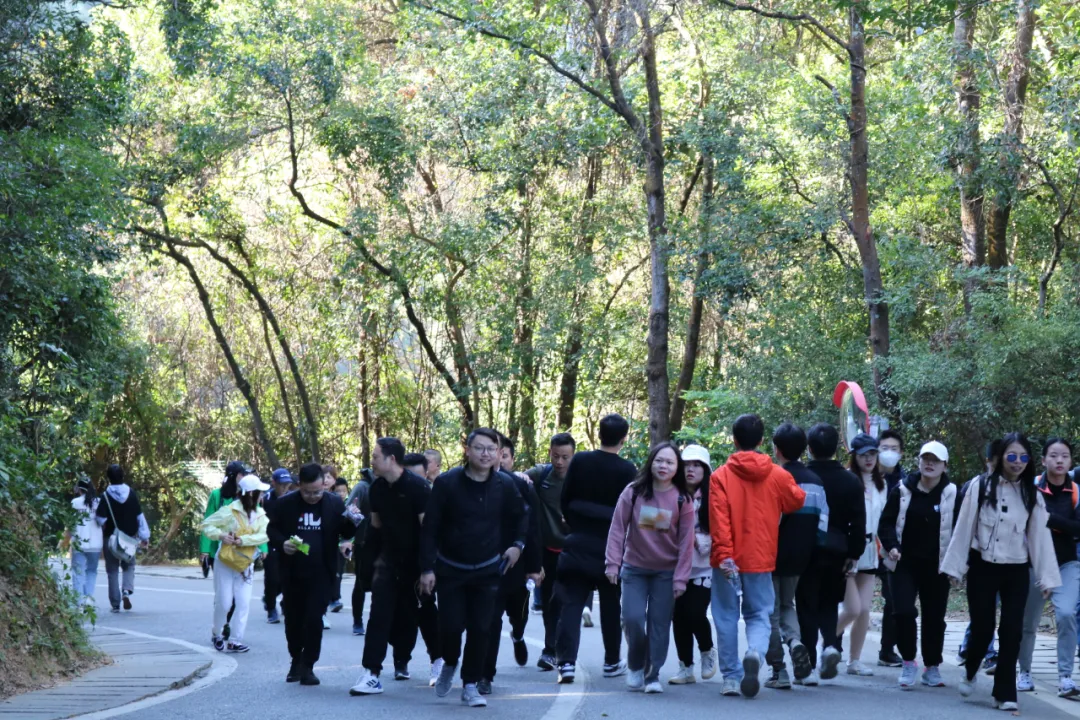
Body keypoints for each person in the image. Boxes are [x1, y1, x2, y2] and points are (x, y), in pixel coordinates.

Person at [944, 433, 1061, 712]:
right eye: (1012, 456)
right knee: (982, 629)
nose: (1018, 462)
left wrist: (1046, 578)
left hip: (1017, 570)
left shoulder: (1032, 494)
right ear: (1000, 457)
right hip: (984, 567)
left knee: (1012, 631)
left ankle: (1005, 691)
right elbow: (964, 527)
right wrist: (955, 567)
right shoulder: (981, 486)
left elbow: (1039, 539)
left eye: (1023, 457)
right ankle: (971, 669)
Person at [419, 428, 528, 708]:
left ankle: (470, 684)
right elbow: (430, 528)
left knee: (482, 628)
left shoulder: (505, 484)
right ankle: (450, 662)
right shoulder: (446, 483)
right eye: (479, 448)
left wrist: (517, 545)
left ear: (499, 453)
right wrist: (427, 568)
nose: (485, 454)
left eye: (491, 449)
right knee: (451, 626)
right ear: (467, 450)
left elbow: (522, 516)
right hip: (451, 569)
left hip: (488, 570)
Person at [710, 414, 807, 698]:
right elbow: (797, 499)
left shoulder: (720, 476)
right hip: (761, 556)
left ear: (734, 440)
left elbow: (719, 520)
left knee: (726, 616)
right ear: (762, 441)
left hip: (726, 560)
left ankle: (730, 677)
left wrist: (725, 556)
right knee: (759, 615)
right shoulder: (776, 474)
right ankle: (754, 652)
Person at [604, 442, 694, 694]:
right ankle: (635, 665)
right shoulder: (633, 492)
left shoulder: (681, 499)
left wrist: (680, 579)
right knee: (632, 619)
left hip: (666, 573)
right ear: (651, 463)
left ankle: (652, 674)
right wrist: (613, 562)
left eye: (669, 462)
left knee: (659, 624)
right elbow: (617, 528)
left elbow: (687, 542)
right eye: (659, 461)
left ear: (677, 467)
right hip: (634, 569)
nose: (663, 466)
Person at [554, 414, 636, 681]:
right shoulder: (627, 470)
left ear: (598, 433)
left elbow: (565, 499)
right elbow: (628, 512)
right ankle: (612, 661)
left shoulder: (580, 460)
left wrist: (574, 523)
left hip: (577, 541)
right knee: (611, 605)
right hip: (610, 548)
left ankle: (566, 663)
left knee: (571, 604)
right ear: (624, 438)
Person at [350, 438, 433, 695]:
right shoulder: (376, 489)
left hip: (416, 564)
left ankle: (440, 662)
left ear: (391, 459)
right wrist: (367, 563)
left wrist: (428, 569)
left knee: (425, 614)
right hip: (387, 563)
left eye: (375, 456)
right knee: (378, 617)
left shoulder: (418, 488)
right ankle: (371, 673)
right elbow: (375, 527)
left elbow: (428, 531)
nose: (371, 461)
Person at [877, 441, 957, 690]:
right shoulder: (902, 490)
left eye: (935, 460)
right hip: (903, 563)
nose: (929, 464)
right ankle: (909, 660)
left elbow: (962, 527)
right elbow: (886, 523)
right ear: (919, 461)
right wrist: (891, 546)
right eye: (926, 459)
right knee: (902, 611)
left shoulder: (953, 493)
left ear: (944, 465)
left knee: (935, 618)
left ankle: (932, 666)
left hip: (937, 566)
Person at [267, 462, 355, 686]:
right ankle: (296, 659)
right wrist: (282, 543)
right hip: (292, 572)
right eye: (308, 491)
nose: (313, 496)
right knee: (294, 621)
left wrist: (354, 520)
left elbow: (346, 531)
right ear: (299, 486)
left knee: (314, 620)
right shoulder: (285, 504)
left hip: (322, 573)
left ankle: (308, 665)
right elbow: (271, 530)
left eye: (318, 491)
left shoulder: (334, 503)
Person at [797, 424, 866, 684]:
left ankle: (809, 666)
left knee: (806, 604)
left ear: (810, 448)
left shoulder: (804, 477)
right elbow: (859, 522)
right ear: (837, 447)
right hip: (838, 549)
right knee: (828, 603)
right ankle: (830, 646)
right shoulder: (851, 480)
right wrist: (854, 553)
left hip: (807, 548)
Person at [481, 434, 543, 694]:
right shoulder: (463, 482)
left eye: (497, 451)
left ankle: (518, 635)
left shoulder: (519, 484)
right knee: (489, 620)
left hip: (515, 564)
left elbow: (533, 526)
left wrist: (534, 565)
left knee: (518, 614)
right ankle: (485, 675)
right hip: (483, 565)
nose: (490, 455)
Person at [766, 423, 826, 690]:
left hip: (771, 555)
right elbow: (823, 521)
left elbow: (769, 520)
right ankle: (795, 642)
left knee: (770, 611)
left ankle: (779, 670)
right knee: (787, 605)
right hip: (801, 557)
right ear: (805, 449)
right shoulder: (815, 481)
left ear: (776, 449)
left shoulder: (774, 477)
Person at [1019, 437, 1080, 698]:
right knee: (1028, 622)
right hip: (1033, 563)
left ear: (1070, 461)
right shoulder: (1030, 487)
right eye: (1053, 456)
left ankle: (1066, 677)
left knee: (1066, 614)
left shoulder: (1077, 491)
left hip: (1067, 563)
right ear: (1043, 460)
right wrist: (1059, 523)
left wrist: (1048, 519)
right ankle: (1024, 672)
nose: (1059, 461)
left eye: (1064, 456)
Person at [836, 433, 888, 677]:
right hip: (849, 551)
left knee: (865, 609)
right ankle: (823, 641)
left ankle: (854, 660)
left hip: (871, 552)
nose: (869, 459)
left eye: (873, 454)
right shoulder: (847, 481)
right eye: (863, 454)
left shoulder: (882, 484)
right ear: (854, 456)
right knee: (852, 609)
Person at [200, 473, 271, 654]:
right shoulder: (230, 510)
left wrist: (243, 540)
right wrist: (221, 535)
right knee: (224, 602)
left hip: (246, 563)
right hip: (225, 561)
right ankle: (217, 633)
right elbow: (207, 525)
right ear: (250, 494)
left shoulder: (261, 514)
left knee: (243, 602)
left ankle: (235, 640)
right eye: (259, 493)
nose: (262, 496)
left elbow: (264, 535)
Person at [524, 433, 576, 672]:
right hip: (546, 550)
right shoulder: (542, 474)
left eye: (565, 457)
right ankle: (549, 649)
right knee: (548, 602)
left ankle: (563, 651)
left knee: (567, 602)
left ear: (573, 456)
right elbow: (519, 478)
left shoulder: (580, 477)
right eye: (556, 456)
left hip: (572, 550)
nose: (559, 462)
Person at [667, 445, 718, 685]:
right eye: (687, 464)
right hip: (675, 565)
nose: (691, 469)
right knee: (678, 616)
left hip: (704, 566)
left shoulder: (714, 496)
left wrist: (702, 540)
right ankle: (685, 667)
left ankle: (707, 650)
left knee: (695, 612)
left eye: (697, 465)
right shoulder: (670, 494)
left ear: (705, 469)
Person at [956, 440, 1003, 672]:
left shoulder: (1019, 489)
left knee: (988, 610)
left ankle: (970, 647)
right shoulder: (974, 487)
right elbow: (962, 526)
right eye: (997, 460)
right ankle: (981, 650)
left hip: (1008, 560)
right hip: (980, 560)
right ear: (988, 462)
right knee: (984, 610)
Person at [200, 461, 249, 636]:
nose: (245, 477)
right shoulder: (217, 495)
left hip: (240, 551)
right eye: (242, 474)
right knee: (222, 593)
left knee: (237, 594)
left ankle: (226, 622)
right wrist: (205, 550)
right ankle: (219, 625)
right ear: (234, 476)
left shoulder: (246, 495)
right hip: (218, 552)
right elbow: (207, 521)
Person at [95, 464, 150, 613]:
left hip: (111, 539)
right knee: (129, 565)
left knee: (112, 571)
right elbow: (140, 516)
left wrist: (107, 526)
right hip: (129, 539)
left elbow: (100, 518)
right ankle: (126, 590)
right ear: (122, 476)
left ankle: (115, 603)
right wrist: (144, 536)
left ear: (109, 478)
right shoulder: (131, 494)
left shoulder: (105, 496)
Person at [876, 429, 905, 668]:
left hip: (890, 547)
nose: (889, 453)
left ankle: (887, 650)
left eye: (894, 449)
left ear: (901, 453)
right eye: (884, 448)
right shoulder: (865, 477)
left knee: (892, 599)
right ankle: (836, 645)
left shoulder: (906, 483)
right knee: (851, 600)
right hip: (864, 545)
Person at [262, 468, 294, 624]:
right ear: (274, 483)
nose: (284, 488)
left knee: (287, 577)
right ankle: (271, 608)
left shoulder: (291, 498)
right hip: (269, 542)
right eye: (281, 484)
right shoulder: (266, 499)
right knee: (272, 577)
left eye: (287, 484)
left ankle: (285, 603)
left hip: (286, 542)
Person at [346, 468, 374, 636]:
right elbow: (349, 509)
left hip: (387, 543)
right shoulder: (363, 487)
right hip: (365, 542)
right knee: (361, 583)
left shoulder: (393, 483)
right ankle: (358, 621)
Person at [68, 478, 102, 603]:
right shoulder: (99, 502)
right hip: (96, 543)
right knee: (92, 571)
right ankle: (88, 598)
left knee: (78, 573)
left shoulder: (75, 503)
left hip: (79, 543)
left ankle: (79, 603)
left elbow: (70, 524)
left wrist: (65, 541)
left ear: (79, 489)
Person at [328, 477, 350, 614]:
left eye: (344, 491)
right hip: (329, 544)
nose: (341, 494)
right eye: (338, 491)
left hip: (343, 546)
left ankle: (335, 599)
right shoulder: (330, 504)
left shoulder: (350, 505)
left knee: (338, 573)